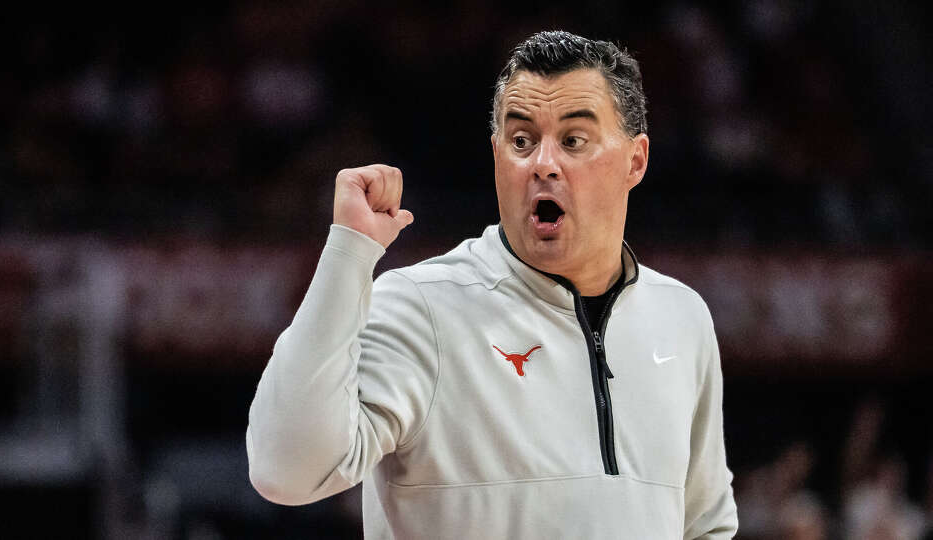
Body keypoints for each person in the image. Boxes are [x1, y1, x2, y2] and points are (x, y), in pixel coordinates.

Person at [247, 30, 737, 539]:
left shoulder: (682, 317)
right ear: (497, 155)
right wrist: (349, 252)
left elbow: (704, 524)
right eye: (521, 141)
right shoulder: (422, 308)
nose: (543, 164)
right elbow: (284, 471)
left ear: (635, 161)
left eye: (573, 141)